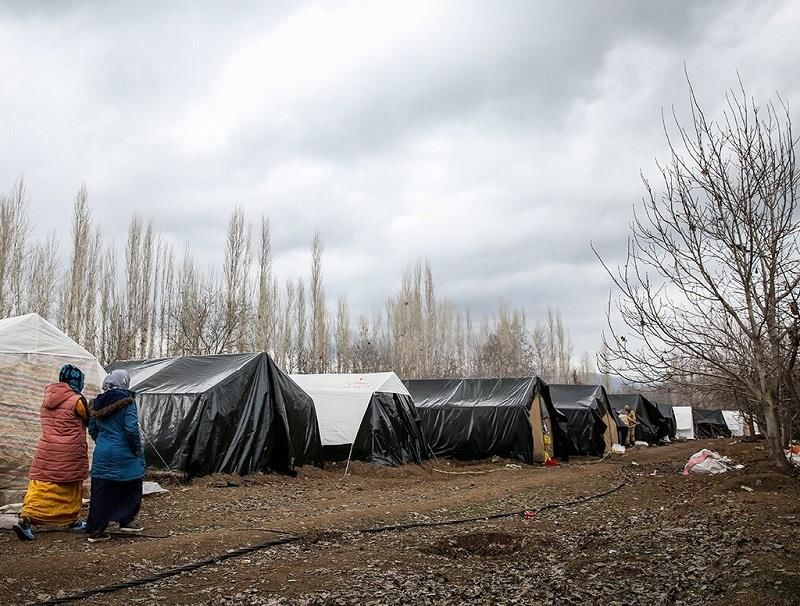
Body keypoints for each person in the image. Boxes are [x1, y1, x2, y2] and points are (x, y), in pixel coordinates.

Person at [12, 365, 90, 541]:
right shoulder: (78, 400)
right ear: (77, 381)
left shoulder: (47, 398)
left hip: (46, 451)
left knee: (42, 487)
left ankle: (26, 518)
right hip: (69, 453)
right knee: (70, 487)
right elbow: (87, 418)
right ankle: (71, 520)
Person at [85, 369, 146, 543]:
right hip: (124, 453)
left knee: (102, 491)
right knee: (132, 486)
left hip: (103, 452)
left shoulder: (96, 403)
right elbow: (131, 429)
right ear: (124, 382)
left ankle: (96, 529)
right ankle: (126, 520)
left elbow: (93, 429)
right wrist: (136, 449)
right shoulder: (127, 402)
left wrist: (103, 442)